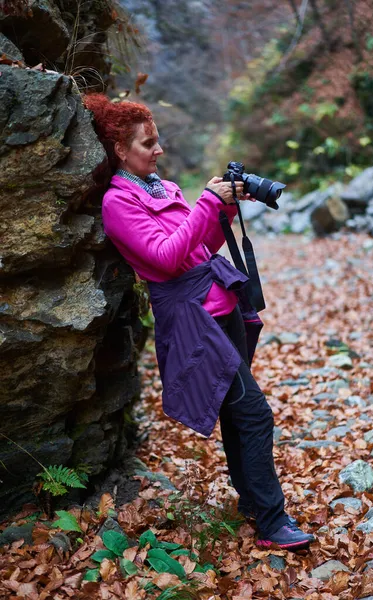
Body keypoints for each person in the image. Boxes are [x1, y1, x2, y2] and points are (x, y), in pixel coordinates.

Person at [83, 93, 315, 551]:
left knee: (235, 410)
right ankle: (272, 522)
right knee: (254, 413)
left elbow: (201, 246)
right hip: (192, 321)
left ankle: (253, 504)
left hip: (222, 306)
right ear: (120, 152)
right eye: (148, 144)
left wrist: (223, 208)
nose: (159, 150)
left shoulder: (164, 190)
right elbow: (166, 260)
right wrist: (208, 201)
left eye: (157, 140)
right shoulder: (118, 204)